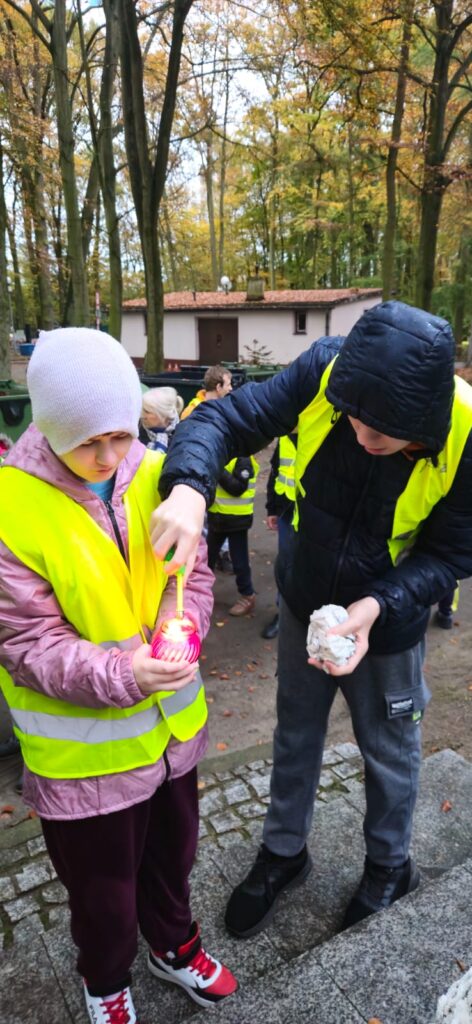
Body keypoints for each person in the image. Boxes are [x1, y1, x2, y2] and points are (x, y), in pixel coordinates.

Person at [148, 300, 472, 938]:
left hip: (387, 623)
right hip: (305, 600)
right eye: (350, 420)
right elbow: (224, 419)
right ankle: (283, 853)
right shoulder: (328, 371)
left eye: (377, 437)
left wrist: (378, 606)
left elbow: (454, 553)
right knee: (295, 734)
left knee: (390, 751)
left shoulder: (464, 434)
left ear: (420, 427)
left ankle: (387, 868)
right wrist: (187, 485)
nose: (356, 436)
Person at [0, 328, 237, 1024]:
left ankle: (173, 947)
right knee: (103, 895)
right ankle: (105, 984)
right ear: (47, 425)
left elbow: (189, 571)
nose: (107, 457)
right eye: (88, 443)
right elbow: (28, 644)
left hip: (169, 738)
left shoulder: (154, 471)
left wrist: (188, 623)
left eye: (120, 435)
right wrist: (126, 672)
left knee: (175, 860)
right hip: (87, 761)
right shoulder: (14, 511)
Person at [207, 454, 259, 616]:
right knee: (206, 558)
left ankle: (247, 595)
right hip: (217, 518)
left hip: (237, 521)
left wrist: (218, 469)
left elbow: (238, 488)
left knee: (239, 561)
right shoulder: (220, 454)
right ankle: (200, 594)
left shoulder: (243, 459)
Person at [261, 434, 297, 639]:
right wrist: (272, 509)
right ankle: (282, 615)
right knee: (286, 563)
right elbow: (275, 473)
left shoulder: (319, 434)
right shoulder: (284, 438)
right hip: (286, 512)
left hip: (312, 515)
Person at [139, 386, 183, 453]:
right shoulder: (135, 432)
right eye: (141, 409)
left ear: (162, 414)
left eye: (147, 411)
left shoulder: (182, 436)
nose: (142, 415)